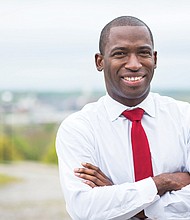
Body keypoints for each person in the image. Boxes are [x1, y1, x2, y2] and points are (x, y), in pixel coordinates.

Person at [56, 16, 190, 220]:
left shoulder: (185, 117)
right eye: (120, 54)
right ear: (100, 61)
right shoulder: (78, 129)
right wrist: (161, 182)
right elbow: (84, 208)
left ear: (154, 59)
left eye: (143, 53)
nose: (134, 64)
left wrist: (129, 205)